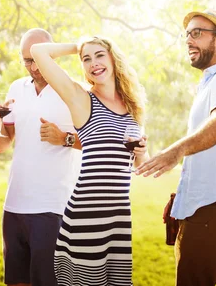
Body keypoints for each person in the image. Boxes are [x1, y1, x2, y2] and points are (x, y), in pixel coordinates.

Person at [136, 9, 216, 286]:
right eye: (187, 34)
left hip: (213, 209)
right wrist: (184, 199)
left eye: (197, 33)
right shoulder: (210, 82)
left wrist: (175, 151)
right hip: (202, 208)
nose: (189, 40)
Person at [30, 36, 148, 286]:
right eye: (87, 59)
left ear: (113, 58)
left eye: (100, 55)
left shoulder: (133, 107)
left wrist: (141, 153)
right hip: (87, 213)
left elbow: (138, 164)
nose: (94, 63)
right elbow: (38, 51)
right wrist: (79, 45)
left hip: (118, 216)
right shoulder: (81, 99)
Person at [0, 28, 82, 286]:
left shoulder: (75, 91)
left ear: (53, 55)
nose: (33, 66)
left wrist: (63, 138)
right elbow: (3, 145)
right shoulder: (16, 87)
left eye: (37, 58)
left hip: (52, 206)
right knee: (16, 282)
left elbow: (95, 142)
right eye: (27, 59)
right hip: (14, 204)